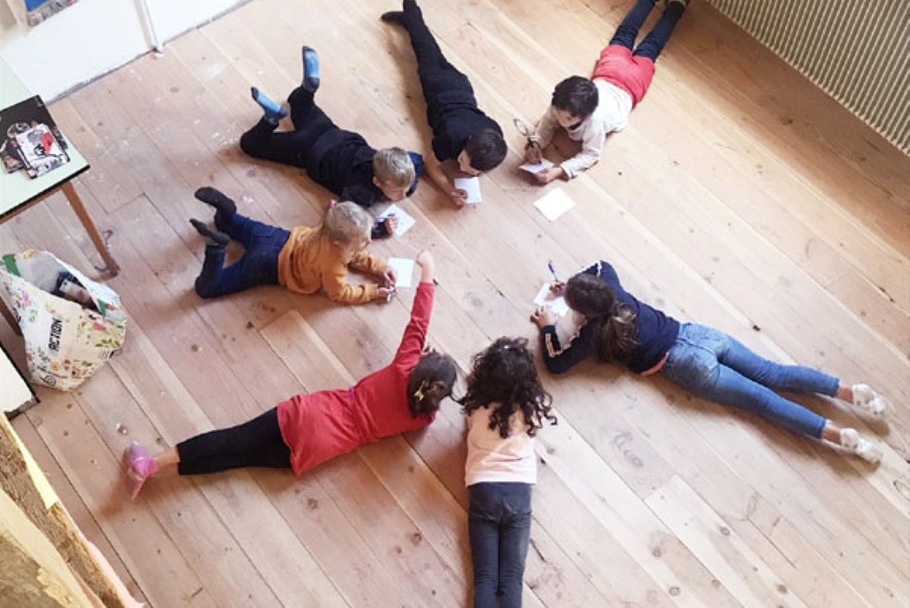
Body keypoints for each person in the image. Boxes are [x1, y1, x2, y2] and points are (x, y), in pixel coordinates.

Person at [124, 251, 456, 498]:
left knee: (233, 437)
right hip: (319, 449)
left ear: (421, 361)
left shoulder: (404, 365)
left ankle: (152, 464)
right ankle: (161, 473)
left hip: (309, 416)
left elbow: (419, 321)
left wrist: (428, 269)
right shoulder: (423, 419)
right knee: (237, 459)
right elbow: (420, 395)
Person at [531, 260, 891, 463]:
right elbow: (599, 264)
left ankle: (843, 438)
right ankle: (851, 392)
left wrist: (548, 326)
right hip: (702, 335)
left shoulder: (592, 335)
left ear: (581, 313)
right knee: (774, 372)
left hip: (684, 365)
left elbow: (556, 364)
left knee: (764, 403)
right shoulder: (613, 286)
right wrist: (574, 285)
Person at [239, 46, 423, 239]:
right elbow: (345, 221)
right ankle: (270, 119)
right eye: (398, 191)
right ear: (377, 182)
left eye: (405, 189)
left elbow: (417, 161)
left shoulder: (387, 162)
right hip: (307, 148)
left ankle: (308, 88)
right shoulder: (363, 192)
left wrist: (408, 186)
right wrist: (381, 229)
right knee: (249, 145)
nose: (403, 196)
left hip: (328, 131)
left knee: (299, 102)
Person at [524, 0, 689, 184]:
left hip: (631, 83)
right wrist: (536, 142)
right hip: (610, 71)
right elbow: (549, 120)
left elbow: (592, 154)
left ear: (585, 115)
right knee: (631, 33)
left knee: (649, 43)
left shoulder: (595, 122)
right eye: (559, 113)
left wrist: (559, 170)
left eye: (568, 119)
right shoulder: (561, 104)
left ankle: (677, 4)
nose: (560, 120)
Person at [381, 0, 508, 207]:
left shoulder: (494, 137)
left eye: (472, 171)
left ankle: (410, 21)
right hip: (439, 88)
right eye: (463, 163)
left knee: (434, 53)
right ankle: (412, 11)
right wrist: (451, 191)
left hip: (462, 89)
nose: (464, 171)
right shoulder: (450, 139)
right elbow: (432, 166)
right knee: (426, 50)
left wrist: (474, 170)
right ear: (465, 145)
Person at [459, 337, 557, 607]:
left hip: (483, 489)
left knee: (484, 578)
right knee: (512, 579)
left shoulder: (476, 408)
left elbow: (468, 428)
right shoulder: (531, 408)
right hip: (518, 492)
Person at [189, 187, 395, 304]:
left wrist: (381, 267)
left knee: (228, 224)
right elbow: (339, 293)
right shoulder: (334, 264)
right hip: (267, 264)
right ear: (340, 243)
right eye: (364, 241)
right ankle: (215, 249)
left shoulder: (331, 229)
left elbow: (355, 253)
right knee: (208, 288)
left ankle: (227, 211)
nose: (368, 243)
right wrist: (373, 292)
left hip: (273, 236)